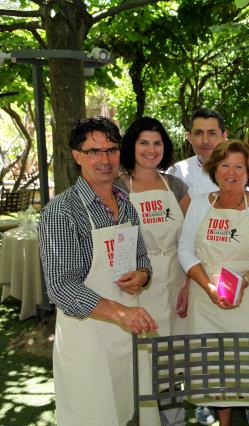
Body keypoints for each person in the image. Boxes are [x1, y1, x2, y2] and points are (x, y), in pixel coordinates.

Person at [38, 116, 157, 425]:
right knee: (92, 414)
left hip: (126, 336)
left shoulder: (126, 202)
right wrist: (120, 313)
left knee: (125, 411)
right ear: (77, 156)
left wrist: (142, 274)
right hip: (87, 342)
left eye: (112, 150)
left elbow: (142, 257)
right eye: (94, 151)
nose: (104, 159)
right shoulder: (62, 211)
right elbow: (62, 286)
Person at [169, 108, 249, 425]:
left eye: (238, 166)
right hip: (205, 291)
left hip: (246, 292)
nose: (231, 172)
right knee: (211, 358)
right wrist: (202, 284)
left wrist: (243, 281)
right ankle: (211, 405)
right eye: (225, 166)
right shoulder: (180, 177)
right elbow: (186, 246)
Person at [116, 117, 190, 425]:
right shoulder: (118, 187)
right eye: (143, 142)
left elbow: (189, 239)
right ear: (131, 145)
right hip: (138, 283)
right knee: (143, 355)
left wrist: (188, 283)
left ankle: (174, 417)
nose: (150, 149)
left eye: (157, 143)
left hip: (175, 279)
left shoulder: (175, 185)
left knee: (172, 353)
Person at [169, 108, 249, 197]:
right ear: (189, 137)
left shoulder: (245, 169)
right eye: (198, 133)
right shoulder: (176, 172)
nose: (205, 141)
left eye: (212, 133)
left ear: (224, 136)